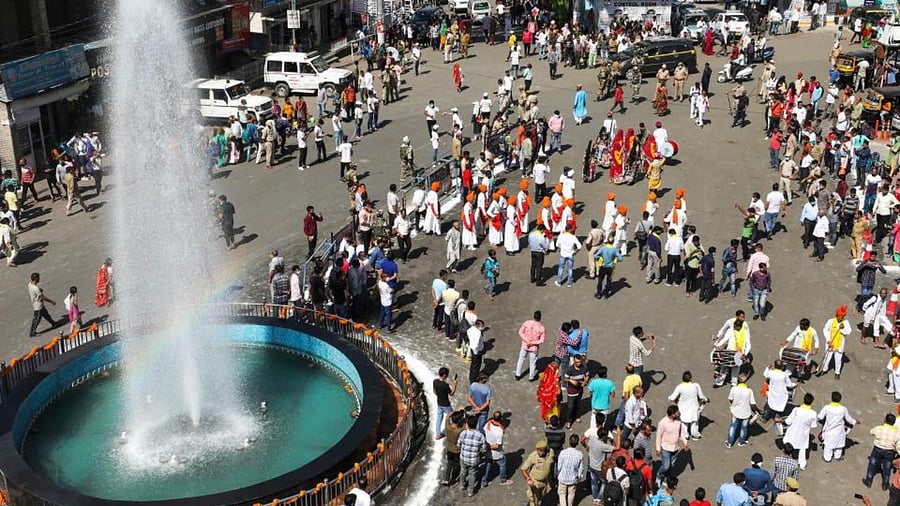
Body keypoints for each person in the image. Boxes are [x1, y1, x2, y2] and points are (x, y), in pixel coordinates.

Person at [779, 393, 818, 470]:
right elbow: (813, 425)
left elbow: (788, 421)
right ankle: (802, 465)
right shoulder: (813, 413)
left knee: (788, 447)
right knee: (802, 450)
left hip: (792, 433)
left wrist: (781, 420)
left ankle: (785, 462)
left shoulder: (796, 410)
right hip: (803, 435)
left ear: (804, 400)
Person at [817, 391, 857, 463]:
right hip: (839, 430)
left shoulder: (827, 407)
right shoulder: (843, 409)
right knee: (839, 444)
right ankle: (837, 457)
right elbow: (848, 419)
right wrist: (855, 421)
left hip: (829, 429)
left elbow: (820, 417)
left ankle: (827, 458)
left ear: (831, 398)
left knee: (828, 445)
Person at [668, 371, 707, 440]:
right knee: (694, 423)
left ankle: (685, 435)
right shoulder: (696, 386)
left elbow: (672, 398)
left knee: (684, 423)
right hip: (694, 408)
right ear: (691, 378)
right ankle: (695, 435)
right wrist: (706, 399)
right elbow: (701, 396)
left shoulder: (679, 387)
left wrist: (669, 398)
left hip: (683, 408)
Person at [864, 413, 900, 490]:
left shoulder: (879, 428)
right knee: (887, 468)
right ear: (893, 423)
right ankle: (885, 484)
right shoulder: (897, 433)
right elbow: (898, 446)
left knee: (872, 464)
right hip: (889, 451)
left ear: (885, 420)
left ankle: (869, 481)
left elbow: (871, 432)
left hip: (877, 449)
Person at [655, 405, 688, 486]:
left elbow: (681, 433)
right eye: (677, 412)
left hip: (675, 448)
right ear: (672, 414)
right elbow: (658, 436)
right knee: (666, 466)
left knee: (671, 466)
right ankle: (659, 477)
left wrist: (685, 442)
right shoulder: (663, 423)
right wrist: (658, 448)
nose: (679, 413)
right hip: (665, 448)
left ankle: (666, 479)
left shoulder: (678, 421)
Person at [726, 374, 762, 448]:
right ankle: (741, 441)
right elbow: (752, 404)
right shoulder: (749, 391)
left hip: (735, 411)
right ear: (746, 381)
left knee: (733, 426)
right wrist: (758, 410)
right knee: (744, 428)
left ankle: (729, 442)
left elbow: (730, 399)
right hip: (746, 413)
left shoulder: (734, 389)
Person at [818, 305, 852, 379]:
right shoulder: (830, 321)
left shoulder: (846, 323)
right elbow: (825, 330)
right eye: (841, 316)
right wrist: (828, 340)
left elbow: (848, 332)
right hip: (831, 343)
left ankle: (837, 372)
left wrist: (842, 329)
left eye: (843, 316)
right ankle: (824, 369)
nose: (842, 318)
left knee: (838, 359)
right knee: (827, 357)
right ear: (837, 315)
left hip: (839, 344)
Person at [458, 415, 487, 497]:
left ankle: (462, 485)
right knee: (472, 474)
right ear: (476, 424)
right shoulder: (480, 435)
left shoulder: (463, 433)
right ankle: (470, 491)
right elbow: (484, 448)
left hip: (463, 457)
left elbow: (458, 444)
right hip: (474, 460)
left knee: (463, 471)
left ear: (467, 424)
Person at [482, 411, 513, 487]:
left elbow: (484, 431)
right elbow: (497, 445)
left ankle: (484, 481)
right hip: (496, 452)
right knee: (503, 464)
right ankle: (502, 479)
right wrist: (490, 447)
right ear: (501, 419)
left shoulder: (488, 424)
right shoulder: (499, 431)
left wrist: (487, 446)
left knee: (488, 464)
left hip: (487, 450)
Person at [521, 440, 555, 506]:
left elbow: (552, 465)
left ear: (545, 449)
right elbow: (523, 469)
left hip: (545, 481)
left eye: (541, 451)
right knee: (533, 499)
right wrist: (528, 479)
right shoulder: (533, 456)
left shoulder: (551, 453)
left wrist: (550, 480)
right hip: (535, 482)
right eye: (538, 450)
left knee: (541, 497)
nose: (539, 452)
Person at [516, 311, 545, 381]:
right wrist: (532, 343)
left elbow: (520, 332)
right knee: (532, 363)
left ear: (534, 316)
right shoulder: (541, 327)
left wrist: (526, 340)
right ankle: (531, 377)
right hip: (534, 347)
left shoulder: (527, 323)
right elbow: (542, 340)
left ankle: (518, 374)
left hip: (525, 345)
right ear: (540, 318)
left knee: (521, 359)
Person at [556, 434, 584, 506]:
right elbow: (580, 468)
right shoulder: (579, 454)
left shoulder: (563, 453)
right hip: (572, 478)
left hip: (562, 478)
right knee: (571, 494)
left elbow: (559, 466)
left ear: (569, 442)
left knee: (562, 494)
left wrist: (557, 474)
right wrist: (579, 476)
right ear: (577, 443)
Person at [28, 272, 57, 337]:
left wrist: (39, 290)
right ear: (36, 279)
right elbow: (42, 297)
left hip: (39, 305)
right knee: (37, 319)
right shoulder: (36, 288)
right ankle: (32, 332)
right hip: (38, 306)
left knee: (46, 315)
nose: (39, 279)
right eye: (38, 278)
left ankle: (54, 323)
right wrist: (52, 301)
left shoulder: (29, 284)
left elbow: (34, 291)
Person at [434, 367, 459, 439]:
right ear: (444, 375)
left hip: (439, 403)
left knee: (439, 418)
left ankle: (438, 434)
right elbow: (451, 394)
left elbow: (434, 391)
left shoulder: (435, 381)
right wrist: (455, 384)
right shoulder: (445, 385)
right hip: (446, 405)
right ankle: (452, 432)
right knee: (452, 417)